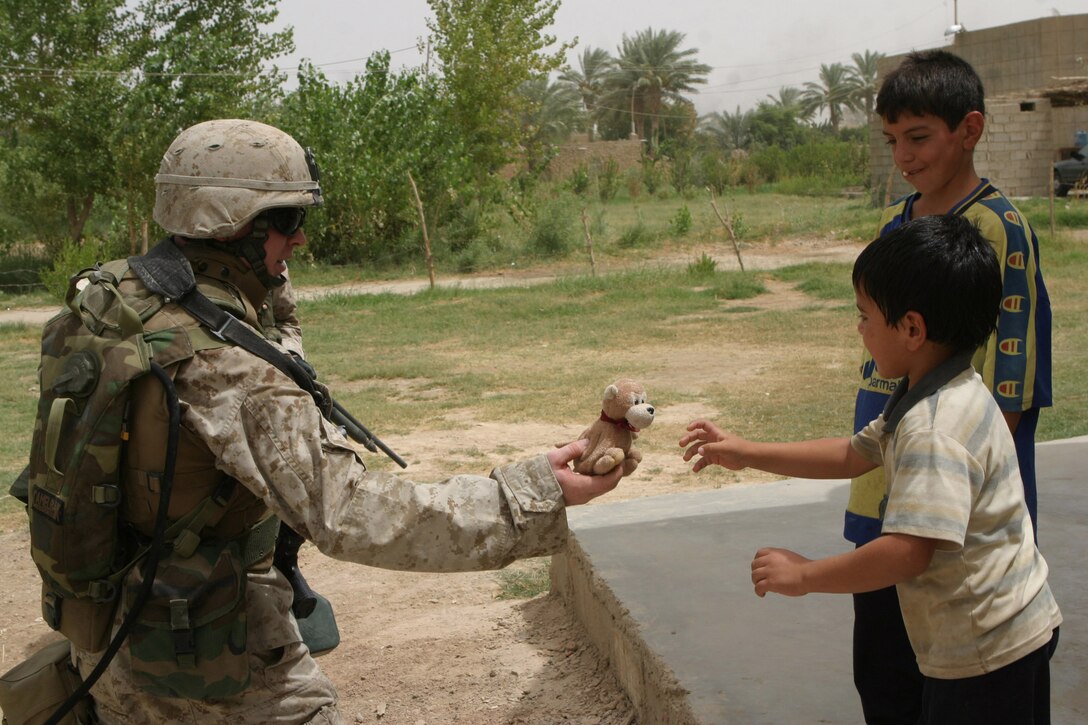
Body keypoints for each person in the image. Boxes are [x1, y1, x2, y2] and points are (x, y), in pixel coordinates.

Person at [50, 118, 624, 724]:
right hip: (200, 649)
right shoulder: (229, 370)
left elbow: (274, 324)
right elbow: (352, 514)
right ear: (235, 226)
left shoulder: (111, 301)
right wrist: (533, 492)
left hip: (104, 629)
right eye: (289, 221)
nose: (300, 241)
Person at [681, 214, 1061, 725]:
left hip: (985, 651)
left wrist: (804, 574)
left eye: (864, 316)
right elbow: (852, 455)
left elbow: (907, 552)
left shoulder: (933, 428)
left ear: (911, 328)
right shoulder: (941, 386)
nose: (859, 330)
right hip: (1007, 630)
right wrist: (747, 451)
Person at [847, 49, 1053, 723]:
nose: (903, 156)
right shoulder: (895, 224)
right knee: (885, 669)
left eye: (919, 136)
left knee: (969, 681)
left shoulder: (1000, 229)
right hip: (886, 481)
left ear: (970, 129)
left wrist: (953, 496)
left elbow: (1009, 390)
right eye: (892, 141)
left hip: (953, 502)